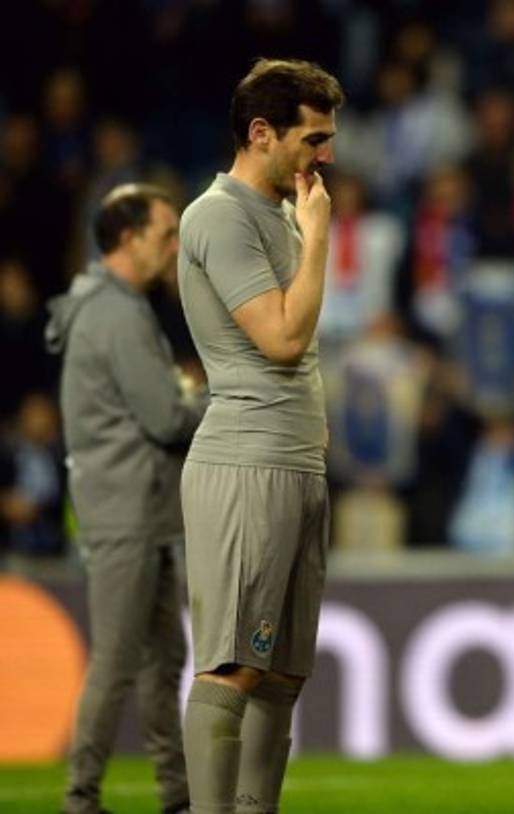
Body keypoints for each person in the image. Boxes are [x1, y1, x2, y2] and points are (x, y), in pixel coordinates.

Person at [175, 59, 343, 814]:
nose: (325, 157)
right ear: (261, 133)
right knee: (234, 666)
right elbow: (279, 338)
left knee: (280, 674)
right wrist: (318, 239)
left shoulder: (278, 214)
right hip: (246, 460)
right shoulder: (218, 216)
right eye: (313, 139)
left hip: (294, 463)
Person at [46, 183, 206, 814]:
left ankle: (178, 797)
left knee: (161, 662)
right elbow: (166, 417)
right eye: (165, 234)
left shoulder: (114, 308)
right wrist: (213, 397)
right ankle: (80, 798)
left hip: (141, 510)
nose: (172, 248)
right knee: (117, 661)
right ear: (128, 238)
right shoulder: (116, 315)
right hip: (126, 512)